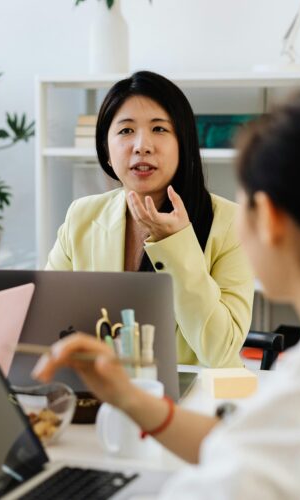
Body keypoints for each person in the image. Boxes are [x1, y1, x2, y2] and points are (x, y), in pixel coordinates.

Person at [34, 86, 300, 499]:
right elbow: (252, 443)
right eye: (126, 130)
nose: (141, 144)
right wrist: (131, 399)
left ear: (269, 217)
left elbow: (234, 470)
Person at [46, 71, 254, 368]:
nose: (142, 145)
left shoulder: (232, 223)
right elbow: (48, 318)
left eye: (159, 129)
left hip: (197, 400)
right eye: (125, 131)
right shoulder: (81, 216)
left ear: (183, 143)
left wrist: (176, 243)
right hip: (103, 393)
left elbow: (219, 352)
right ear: (106, 150)